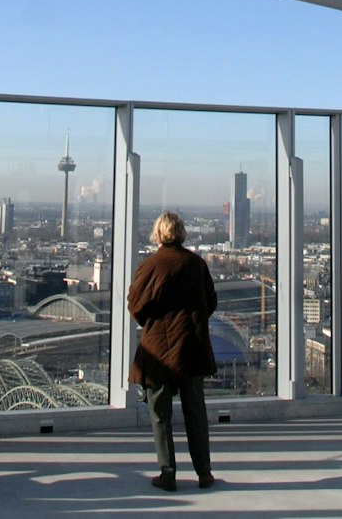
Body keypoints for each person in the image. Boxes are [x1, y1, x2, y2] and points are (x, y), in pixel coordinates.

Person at [127, 210, 218, 492]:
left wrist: (154, 322)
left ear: (159, 232)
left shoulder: (152, 265)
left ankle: (168, 473)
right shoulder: (196, 263)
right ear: (180, 232)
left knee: (160, 414)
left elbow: (135, 304)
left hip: (159, 351)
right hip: (192, 347)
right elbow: (210, 302)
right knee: (195, 412)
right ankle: (204, 472)